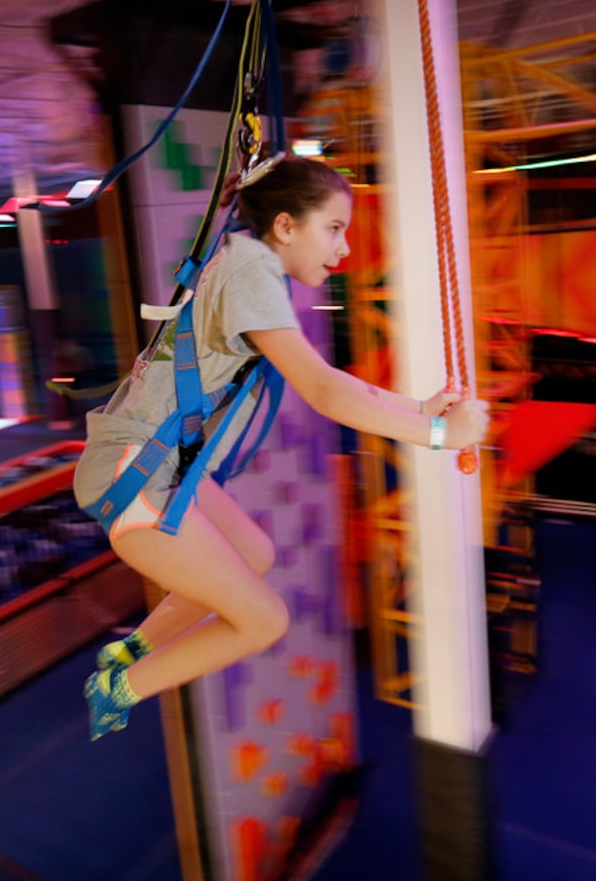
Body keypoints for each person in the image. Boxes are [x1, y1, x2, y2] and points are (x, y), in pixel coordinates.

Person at [72, 155, 490, 741]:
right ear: (287, 226)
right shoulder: (250, 270)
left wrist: (420, 410)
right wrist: (442, 437)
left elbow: (329, 380)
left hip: (152, 461)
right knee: (264, 621)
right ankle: (122, 685)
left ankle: (134, 648)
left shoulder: (246, 261)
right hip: (135, 467)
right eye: (335, 228)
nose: (343, 249)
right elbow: (322, 390)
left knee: (255, 554)